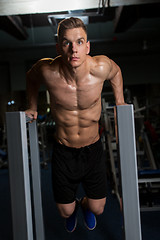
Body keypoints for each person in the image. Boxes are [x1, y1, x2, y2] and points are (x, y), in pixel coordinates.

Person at [25, 17, 125, 232]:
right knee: (66, 211)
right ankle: (74, 207)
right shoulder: (47, 70)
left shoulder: (101, 66)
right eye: (66, 43)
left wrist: (119, 103)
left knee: (98, 208)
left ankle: (85, 205)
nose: (74, 49)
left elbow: (116, 72)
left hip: (93, 148)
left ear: (88, 46)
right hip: (63, 150)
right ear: (58, 47)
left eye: (79, 42)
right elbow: (31, 78)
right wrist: (32, 106)